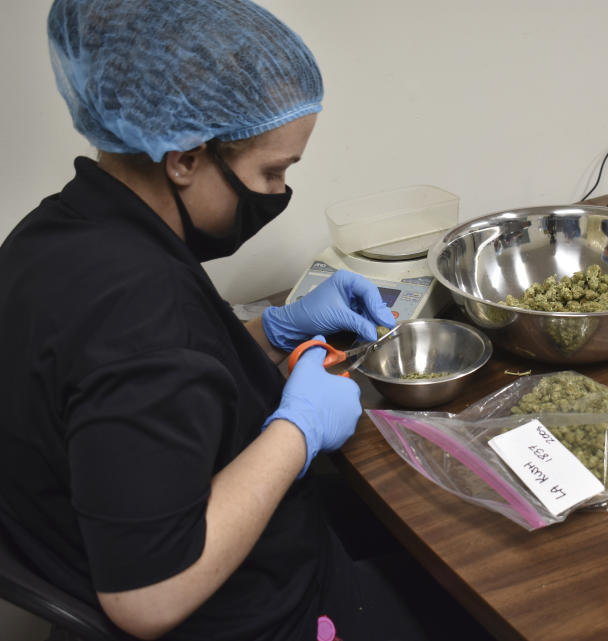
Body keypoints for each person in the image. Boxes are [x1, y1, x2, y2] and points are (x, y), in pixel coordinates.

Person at [0, 1, 437, 640]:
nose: (280, 190)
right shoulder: (138, 316)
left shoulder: (55, 232)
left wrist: (270, 333)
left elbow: (157, 395)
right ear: (184, 158)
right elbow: (145, 597)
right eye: (272, 171)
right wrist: (298, 430)